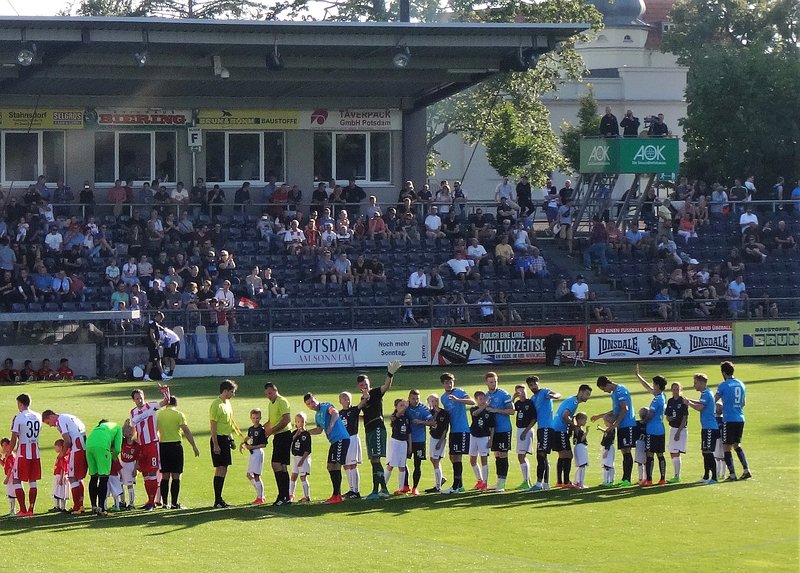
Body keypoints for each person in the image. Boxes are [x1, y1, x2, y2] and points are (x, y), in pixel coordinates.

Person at [358, 360, 402, 501]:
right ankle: (381, 489)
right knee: (373, 460)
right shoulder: (363, 399)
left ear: (369, 383)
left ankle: (378, 491)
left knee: (376, 459)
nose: (364, 386)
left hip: (377, 428)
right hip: (369, 429)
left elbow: (386, 386)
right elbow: (363, 414)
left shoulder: (376, 392)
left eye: (366, 383)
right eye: (362, 385)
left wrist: (390, 374)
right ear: (359, 387)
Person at [304, 392, 351, 504]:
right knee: (331, 466)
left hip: (341, 438)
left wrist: (330, 426)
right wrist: (305, 433)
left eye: (312, 401)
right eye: (309, 404)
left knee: (336, 465)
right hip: (334, 441)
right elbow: (319, 430)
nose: (312, 404)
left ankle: (337, 495)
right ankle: (336, 494)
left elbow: (335, 413)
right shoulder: (317, 416)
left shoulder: (325, 406)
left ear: (316, 398)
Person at [130, 384, 171, 511]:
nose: (139, 400)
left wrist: (165, 392)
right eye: (137, 398)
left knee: (153, 472)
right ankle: (149, 500)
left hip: (152, 444)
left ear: (144, 397)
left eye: (141, 397)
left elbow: (165, 402)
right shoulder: (133, 412)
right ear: (134, 400)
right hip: (141, 446)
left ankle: (152, 502)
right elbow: (133, 428)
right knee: (146, 474)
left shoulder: (151, 406)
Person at [591, 376, 637, 487]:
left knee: (627, 450)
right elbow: (616, 410)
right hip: (622, 425)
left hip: (627, 425)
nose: (605, 391)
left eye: (603, 389)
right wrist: (600, 416)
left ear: (607, 384)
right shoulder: (615, 393)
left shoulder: (620, 390)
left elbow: (624, 408)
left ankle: (627, 479)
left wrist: (615, 424)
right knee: (624, 451)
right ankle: (624, 479)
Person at [157, 396, 200, 509]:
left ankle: (165, 503)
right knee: (176, 475)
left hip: (163, 446)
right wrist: (194, 446)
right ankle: (174, 503)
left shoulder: (159, 414)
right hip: (175, 446)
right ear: (176, 404)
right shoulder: (179, 414)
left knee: (165, 475)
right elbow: (186, 431)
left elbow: (155, 430)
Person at [41, 409, 87, 513]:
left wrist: (63, 453)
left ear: (51, 416)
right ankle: (80, 506)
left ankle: (77, 507)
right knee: (79, 478)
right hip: (82, 447)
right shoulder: (68, 416)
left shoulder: (60, 421)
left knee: (72, 477)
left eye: (48, 422)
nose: (50, 425)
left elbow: (67, 440)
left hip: (76, 449)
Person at [440, 372, 475, 494]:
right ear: (442, 384)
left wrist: (458, 400)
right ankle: (460, 484)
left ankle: (455, 487)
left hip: (462, 429)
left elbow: (472, 402)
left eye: (451, 382)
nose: (449, 384)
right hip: (453, 431)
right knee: (452, 456)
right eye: (446, 383)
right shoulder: (443, 398)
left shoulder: (459, 392)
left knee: (457, 457)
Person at [209, 379, 242, 508]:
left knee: (224, 468)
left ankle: (219, 498)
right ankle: (217, 499)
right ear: (225, 391)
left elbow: (228, 423)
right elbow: (213, 426)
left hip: (225, 439)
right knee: (220, 468)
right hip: (218, 439)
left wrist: (231, 438)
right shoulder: (216, 405)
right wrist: (216, 444)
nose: (233, 394)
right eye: (232, 392)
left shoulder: (227, 404)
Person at [715, 361, 751, 481]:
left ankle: (732, 474)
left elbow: (714, 400)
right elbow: (743, 403)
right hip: (740, 418)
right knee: (737, 445)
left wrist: (721, 406)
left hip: (729, 419)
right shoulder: (741, 384)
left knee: (726, 447)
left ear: (723, 372)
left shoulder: (723, 385)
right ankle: (746, 470)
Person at [551, 385, 592, 487]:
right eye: (587, 394)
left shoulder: (572, 400)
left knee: (562, 455)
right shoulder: (574, 402)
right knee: (568, 456)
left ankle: (560, 482)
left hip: (556, 429)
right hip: (560, 430)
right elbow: (565, 415)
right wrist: (574, 426)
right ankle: (566, 482)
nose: (587, 397)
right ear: (580, 392)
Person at [9, 393, 42, 516]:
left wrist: (9, 452)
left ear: (21, 404)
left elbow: (14, 438)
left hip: (23, 453)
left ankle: (23, 509)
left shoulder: (19, 417)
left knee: (17, 479)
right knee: (32, 480)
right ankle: (31, 509)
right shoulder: (38, 416)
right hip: (35, 452)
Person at [683, 373, 719, 484]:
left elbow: (700, 407)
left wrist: (689, 403)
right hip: (706, 427)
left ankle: (714, 477)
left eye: (695, 383)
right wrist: (690, 400)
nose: (694, 385)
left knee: (708, 451)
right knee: (704, 451)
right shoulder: (705, 393)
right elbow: (700, 403)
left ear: (702, 383)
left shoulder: (706, 394)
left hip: (710, 428)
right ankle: (706, 476)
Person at [634, 366, 667, 486]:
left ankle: (649, 479)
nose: (652, 385)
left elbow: (651, 414)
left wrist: (642, 422)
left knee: (650, 454)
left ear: (657, 385)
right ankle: (663, 478)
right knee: (660, 454)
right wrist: (638, 376)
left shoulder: (656, 400)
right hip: (661, 429)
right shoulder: (663, 396)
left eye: (654, 384)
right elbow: (647, 387)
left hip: (652, 430)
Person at [528, 376, 561, 491]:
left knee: (541, 455)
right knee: (542, 456)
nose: (533, 387)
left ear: (538, 383)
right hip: (540, 429)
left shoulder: (544, 392)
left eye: (535, 384)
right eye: (531, 385)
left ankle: (539, 483)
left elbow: (558, 394)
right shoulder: (532, 399)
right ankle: (545, 484)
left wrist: (553, 396)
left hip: (547, 428)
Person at [484, 371, 515, 491]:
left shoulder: (504, 394)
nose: (493, 384)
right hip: (493, 430)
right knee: (496, 454)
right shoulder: (486, 395)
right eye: (491, 382)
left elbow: (512, 411)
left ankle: (502, 483)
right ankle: (498, 481)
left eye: (495, 381)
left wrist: (496, 410)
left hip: (504, 429)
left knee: (503, 454)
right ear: (486, 382)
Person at [84, 419, 122, 516]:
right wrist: (113, 457)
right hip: (102, 447)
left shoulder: (97, 428)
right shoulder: (117, 427)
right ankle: (101, 508)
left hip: (89, 446)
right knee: (104, 478)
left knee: (93, 477)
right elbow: (118, 448)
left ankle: (94, 506)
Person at [264, 382, 293, 505]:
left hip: (284, 435)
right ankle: (285, 496)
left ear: (275, 390)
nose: (268, 396)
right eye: (266, 394)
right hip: (278, 435)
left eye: (270, 393)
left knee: (276, 464)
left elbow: (286, 419)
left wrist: (271, 431)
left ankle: (283, 495)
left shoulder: (282, 401)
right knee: (281, 466)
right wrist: (259, 430)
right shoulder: (271, 404)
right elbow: (271, 421)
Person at [405, 389, 432, 495]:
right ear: (409, 398)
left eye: (417, 399)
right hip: (406, 440)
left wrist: (421, 422)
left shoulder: (423, 409)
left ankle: (415, 488)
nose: (415, 401)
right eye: (413, 398)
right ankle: (406, 485)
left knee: (417, 464)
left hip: (419, 440)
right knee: (403, 463)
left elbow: (432, 422)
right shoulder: (406, 407)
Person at [383, 398, 412, 496]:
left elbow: (409, 433)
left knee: (402, 466)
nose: (403, 407)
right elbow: (398, 414)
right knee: (391, 465)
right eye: (401, 405)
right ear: (396, 407)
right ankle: (383, 487)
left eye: (404, 405)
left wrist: (410, 445)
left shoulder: (407, 418)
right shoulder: (395, 416)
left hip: (403, 443)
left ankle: (401, 489)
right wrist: (406, 407)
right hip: (395, 442)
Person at [338, 392, 363, 499]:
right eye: (344, 399)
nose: (346, 400)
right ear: (340, 401)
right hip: (344, 440)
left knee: (353, 464)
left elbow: (362, 403)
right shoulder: (339, 413)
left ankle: (356, 491)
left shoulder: (354, 410)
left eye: (348, 398)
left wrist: (365, 395)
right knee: (346, 465)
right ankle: (351, 489)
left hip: (352, 438)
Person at [239, 408, 267, 505]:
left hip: (258, 452)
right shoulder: (251, 429)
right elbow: (249, 436)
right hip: (252, 453)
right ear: (251, 418)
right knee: (249, 475)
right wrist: (242, 443)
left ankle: (260, 497)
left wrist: (252, 446)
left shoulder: (261, 429)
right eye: (254, 418)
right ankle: (260, 495)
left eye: (257, 418)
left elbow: (264, 444)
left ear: (260, 418)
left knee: (256, 475)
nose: (256, 419)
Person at [468, 391, 493, 491]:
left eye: (484, 398)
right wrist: (484, 406)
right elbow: (475, 414)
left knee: (484, 460)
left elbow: (492, 427)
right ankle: (480, 480)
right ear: (476, 400)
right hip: (473, 436)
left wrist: (491, 439)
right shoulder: (473, 409)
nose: (482, 401)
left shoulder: (489, 412)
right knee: (472, 460)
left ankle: (485, 483)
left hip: (484, 437)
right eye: (480, 399)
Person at [663, 382, 688, 483]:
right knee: (673, 452)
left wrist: (678, 432)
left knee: (676, 452)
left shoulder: (683, 401)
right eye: (673, 389)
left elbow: (685, 418)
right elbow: (667, 416)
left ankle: (677, 476)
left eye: (677, 389)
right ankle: (676, 475)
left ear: (680, 390)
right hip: (673, 429)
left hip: (680, 429)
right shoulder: (670, 401)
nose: (675, 391)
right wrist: (669, 418)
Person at [513, 384, 537, 490]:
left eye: (523, 391)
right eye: (519, 392)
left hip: (526, 430)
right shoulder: (518, 403)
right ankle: (526, 480)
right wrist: (513, 398)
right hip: (520, 430)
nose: (522, 394)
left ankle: (526, 482)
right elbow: (511, 411)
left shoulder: (530, 403)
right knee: (521, 456)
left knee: (521, 456)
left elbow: (534, 419)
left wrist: (526, 431)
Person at [424, 394, 449, 493]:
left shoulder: (444, 413)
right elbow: (428, 422)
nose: (434, 403)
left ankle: (438, 486)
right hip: (433, 437)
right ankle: (441, 478)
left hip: (440, 439)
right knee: (433, 459)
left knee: (436, 460)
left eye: (436, 401)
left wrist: (440, 441)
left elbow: (445, 429)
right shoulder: (430, 413)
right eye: (432, 401)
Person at [289, 413, 312, 502]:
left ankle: (307, 496)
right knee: (293, 475)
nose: (300, 423)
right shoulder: (294, 433)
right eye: (298, 422)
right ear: (295, 423)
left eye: (302, 421)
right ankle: (291, 495)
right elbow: (289, 441)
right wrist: (296, 435)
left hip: (303, 458)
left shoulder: (306, 435)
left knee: (303, 477)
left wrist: (302, 460)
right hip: (295, 457)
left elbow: (307, 449)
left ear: (305, 422)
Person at [119, 420, 139, 509]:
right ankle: (122, 501)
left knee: (130, 485)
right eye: (127, 431)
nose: (129, 433)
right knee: (120, 483)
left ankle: (131, 504)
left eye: (131, 431)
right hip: (122, 464)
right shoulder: (122, 442)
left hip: (131, 465)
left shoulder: (136, 444)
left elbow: (138, 458)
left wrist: (135, 469)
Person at [572, 413, 589, 488]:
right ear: (579, 420)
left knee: (580, 466)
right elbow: (581, 439)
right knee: (582, 465)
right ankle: (580, 482)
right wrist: (586, 432)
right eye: (584, 420)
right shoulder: (578, 428)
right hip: (580, 447)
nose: (585, 422)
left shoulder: (576, 428)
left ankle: (576, 481)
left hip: (578, 447)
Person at [51, 439, 68, 512]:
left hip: (60, 476)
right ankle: (58, 506)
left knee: (60, 491)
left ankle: (61, 507)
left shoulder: (62, 456)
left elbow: (62, 468)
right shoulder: (61, 456)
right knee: (57, 491)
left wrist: (61, 478)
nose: (55, 449)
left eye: (56, 447)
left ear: (61, 447)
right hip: (58, 475)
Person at [599, 414, 616, 486]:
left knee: (607, 465)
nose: (604, 423)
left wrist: (606, 450)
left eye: (604, 421)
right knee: (609, 465)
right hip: (609, 448)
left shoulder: (611, 430)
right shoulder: (610, 429)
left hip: (608, 448)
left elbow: (609, 440)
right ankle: (611, 481)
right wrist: (601, 429)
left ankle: (606, 481)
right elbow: (607, 433)